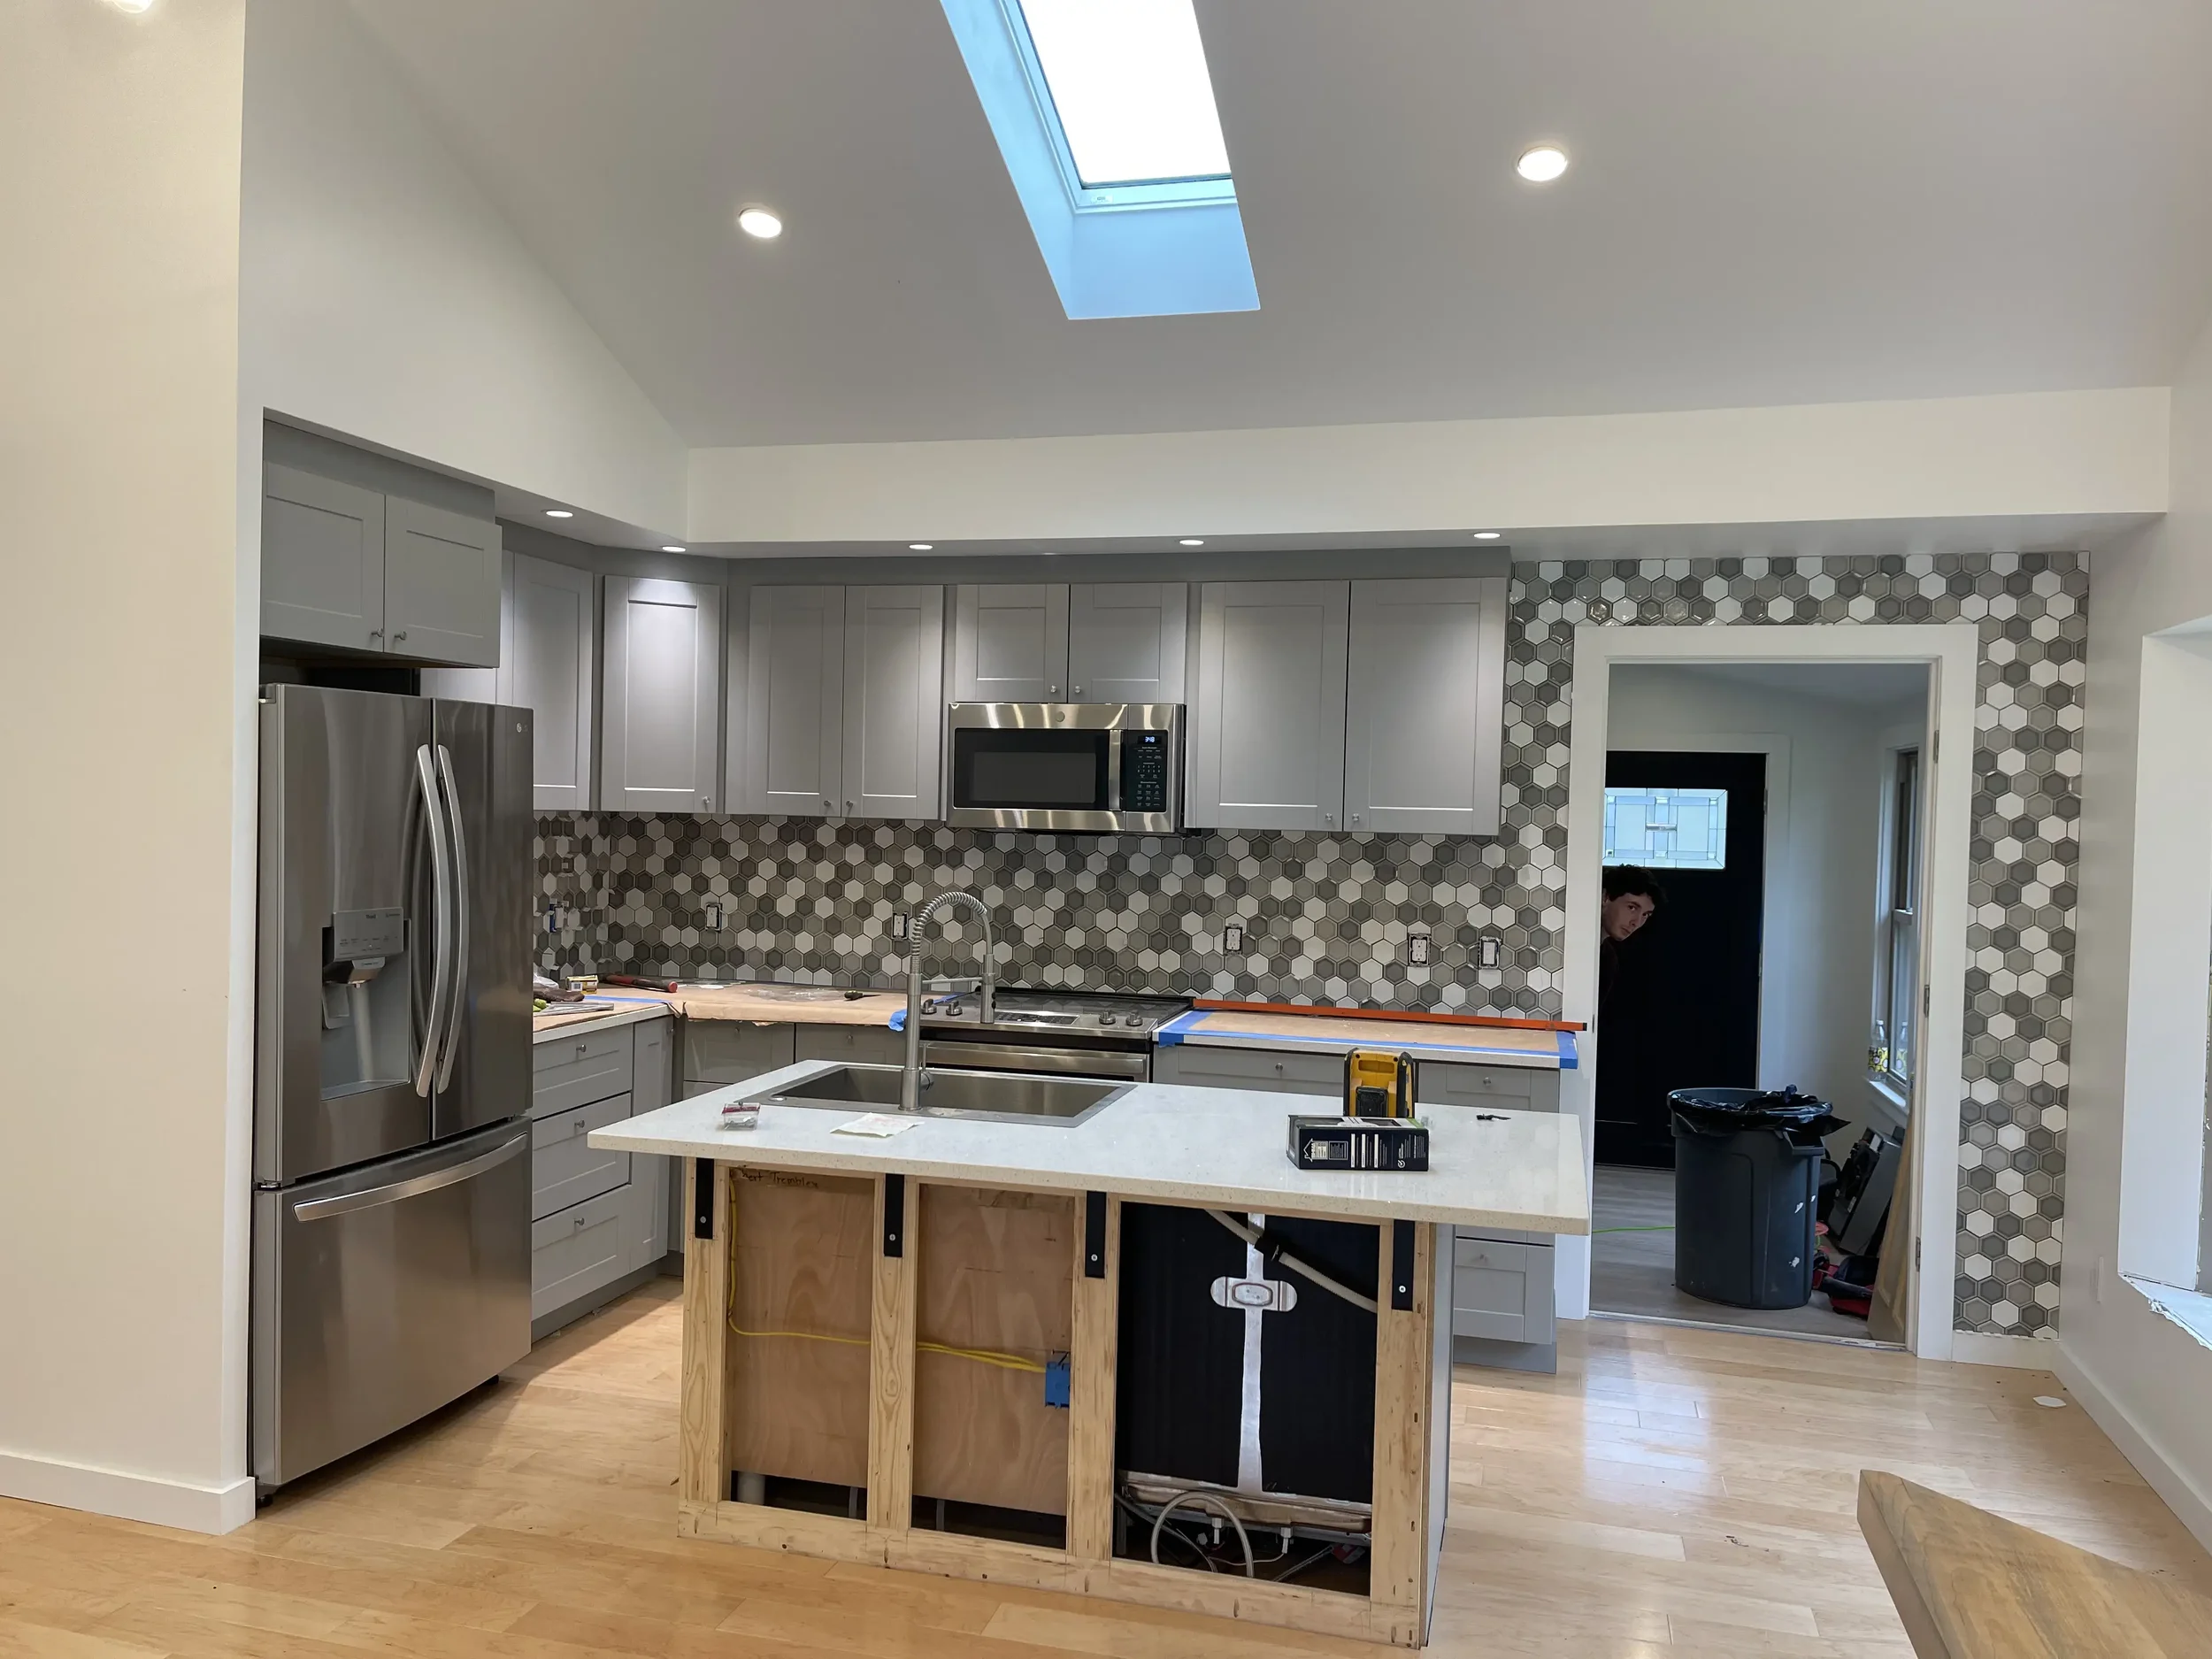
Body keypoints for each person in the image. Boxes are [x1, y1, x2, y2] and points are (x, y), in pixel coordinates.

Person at [1599, 864, 1663, 1012]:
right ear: (1605, 897)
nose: (1636, 922)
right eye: (1632, 908)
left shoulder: (1608, 959)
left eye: (1646, 915)